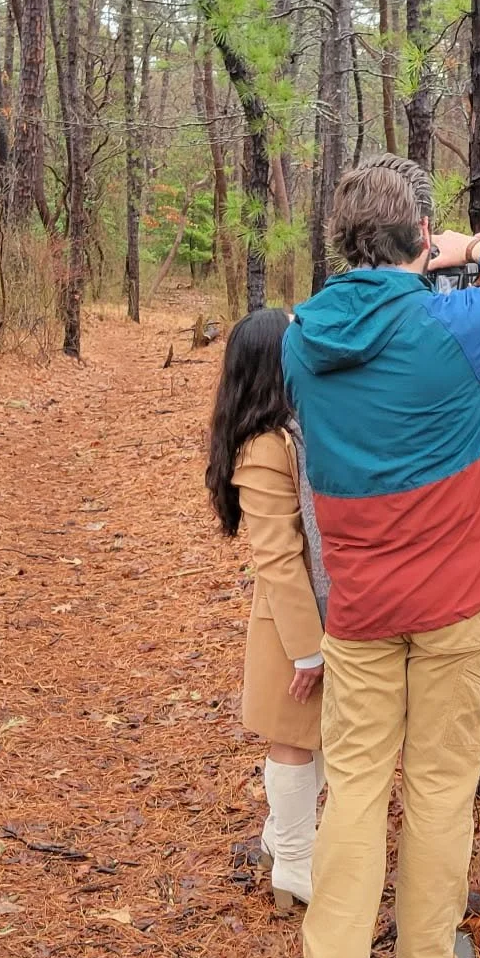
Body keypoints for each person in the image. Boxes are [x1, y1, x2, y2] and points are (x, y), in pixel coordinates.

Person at [251, 156, 480, 958]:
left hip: (359, 604)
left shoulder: (300, 338)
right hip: (459, 600)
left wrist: (426, 263)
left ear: (341, 242)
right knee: (436, 785)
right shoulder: (449, 328)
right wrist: (478, 246)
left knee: (354, 786)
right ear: (419, 239)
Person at [206, 307, 328, 914]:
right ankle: (294, 867)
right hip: (289, 626)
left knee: (320, 741)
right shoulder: (262, 448)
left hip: (321, 616)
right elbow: (277, 560)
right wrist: (308, 648)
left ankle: (282, 842)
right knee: (294, 741)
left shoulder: (296, 429)